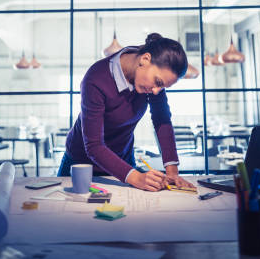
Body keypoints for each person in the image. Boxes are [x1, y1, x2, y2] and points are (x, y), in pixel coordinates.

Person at [58, 33, 195, 191]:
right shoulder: (95, 79)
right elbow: (94, 146)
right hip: (82, 164)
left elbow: (161, 119)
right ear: (145, 59)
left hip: (124, 163)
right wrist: (137, 177)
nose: (157, 91)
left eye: (162, 87)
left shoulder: (152, 81)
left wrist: (172, 172)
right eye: (158, 83)